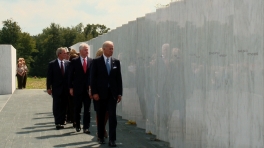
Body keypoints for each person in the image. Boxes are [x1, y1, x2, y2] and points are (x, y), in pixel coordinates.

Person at [91, 41, 123, 146]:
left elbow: (119, 79)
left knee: (113, 116)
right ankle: (100, 136)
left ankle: (112, 139)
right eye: (110, 48)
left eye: (112, 48)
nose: (112, 50)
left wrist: (119, 93)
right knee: (100, 116)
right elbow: (93, 79)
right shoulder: (96, 62)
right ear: (104, 49)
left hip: (112, 94)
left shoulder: (116, 62)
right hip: (100, 94)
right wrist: (94, 92)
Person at [68, 43, 92, 134]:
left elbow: (92, 75)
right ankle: (77, 124)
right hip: (77, 89)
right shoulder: (74, 61)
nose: (87, 51)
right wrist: (70, 87)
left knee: (87, 109)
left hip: (88, 89)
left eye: (87, 49)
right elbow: (70, 75)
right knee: (77, 108)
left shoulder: (91, 61)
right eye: (85, 50)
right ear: (81, 51)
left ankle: (86, 127)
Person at [46, 47, 70, 130]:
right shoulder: (52, 64)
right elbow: (49, 77)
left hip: (66, 89)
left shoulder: (68, 63)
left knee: (64, 105)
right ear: (59, 54)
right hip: (56, 89)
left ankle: (63, 119)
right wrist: (48, 87)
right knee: (57, 105)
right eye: (64, 53)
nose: (66, 54)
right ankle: (57, 122)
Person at [93, 48, 109, 139]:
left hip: (107, 92)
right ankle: (101, 130)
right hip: (98, 92)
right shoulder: (95, 63)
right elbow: (92, 79)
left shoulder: (110, 63)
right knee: (99, 112)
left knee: (107, 112)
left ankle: (102, 128)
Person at [67, 49, 79, 128]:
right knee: (73, 105)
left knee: (73, 105)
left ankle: (73, 119)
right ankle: (73, 119)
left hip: (75, 88)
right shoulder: (71, 67)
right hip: (73, 88)